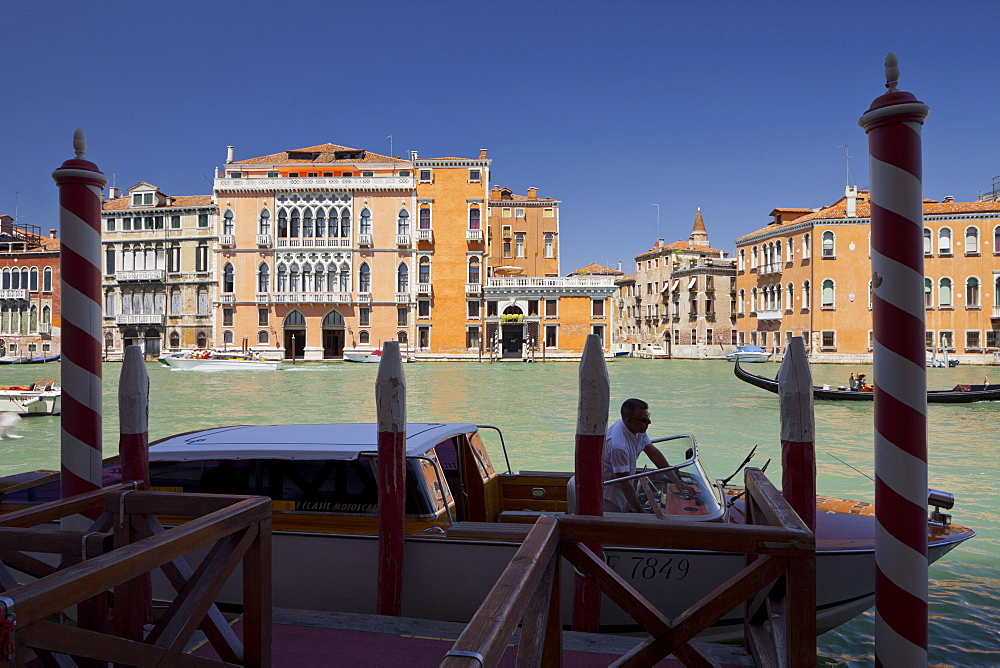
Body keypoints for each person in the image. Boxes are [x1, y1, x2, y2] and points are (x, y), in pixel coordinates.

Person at [602, 398, 688, 513]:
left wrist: (676, 481)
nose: (649, 422)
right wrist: (641, 512)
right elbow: (625, 483)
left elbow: (654, 454)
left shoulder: (637, 428)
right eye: (644, 420)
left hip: (625, 488)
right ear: (629, 421)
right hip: (611, 497)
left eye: (648, 417)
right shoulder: (618, 445)